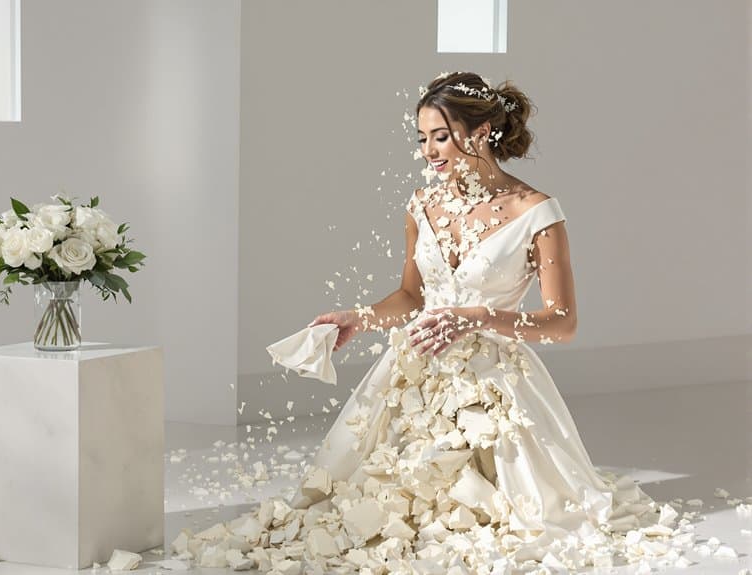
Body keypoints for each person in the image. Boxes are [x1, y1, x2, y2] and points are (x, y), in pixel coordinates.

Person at [174, 72, 692, 574]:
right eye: (422, 139)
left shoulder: (537, 212)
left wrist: (478, 318)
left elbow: (562, 323)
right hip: (415, 373)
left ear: (481, 132)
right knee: (380, 511)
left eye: (441, 136)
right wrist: (358, 317)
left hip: (494, 387)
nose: (428, 151)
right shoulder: (422, 204)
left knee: (500, 520)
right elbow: (411, 297)